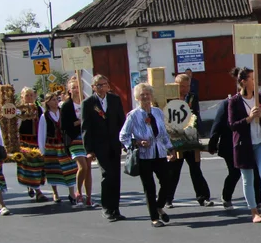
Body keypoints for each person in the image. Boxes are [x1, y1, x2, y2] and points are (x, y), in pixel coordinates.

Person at [227, 67, 261, 223]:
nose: (255, 82)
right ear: (244, 82)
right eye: (252, 79)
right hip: (244, 145)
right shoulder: (234, 101)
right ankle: (254, 212)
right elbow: (232, 125)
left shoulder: (260, 98)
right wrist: (249, 119)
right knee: (247, 179)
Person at [120, 83, 175, 227]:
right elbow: (123, 136)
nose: (145, 97)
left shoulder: (157, 112)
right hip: (144, 156)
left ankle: (159, 205)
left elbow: (163, 133)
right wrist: (137, 142)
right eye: (142, 95)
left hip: (159, 152)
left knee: (167, 182)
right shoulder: (133, 115)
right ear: (137, 97)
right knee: (149, 187)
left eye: (147, 94)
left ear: (151, 96)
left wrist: (170, 148)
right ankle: (154, 218)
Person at [160, 73, 213, 208]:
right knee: (174, 170)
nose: (185, 89)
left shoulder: (193, 97)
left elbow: (196, 114)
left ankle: (203, 197)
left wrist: (199, 133)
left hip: (190, 136)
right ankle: (167, 199)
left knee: (196, 169)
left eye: (187, 86)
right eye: (182, 86)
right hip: (175, 138)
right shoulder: (169, 98)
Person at [82, 75, 125, 221]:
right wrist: (89, 149)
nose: (101, 88)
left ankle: (116, 209)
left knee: (116, 176)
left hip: (114, 143)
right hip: (99, 145)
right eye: (98, 85)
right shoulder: (88, 103)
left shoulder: (114, 99)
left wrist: (124, 142)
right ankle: (107, 208)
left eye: (104, 84)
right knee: (107, 175)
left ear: (108, 86)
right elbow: (86, 127)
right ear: (93, 87)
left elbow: (121, 121)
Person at [38, 91, 78, 203]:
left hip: (64, 144)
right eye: (53, 100)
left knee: (69, 168)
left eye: (57, 99)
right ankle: (55, 192)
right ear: (48, 102)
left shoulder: (62, 112)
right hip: (51, 146)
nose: (56, 102)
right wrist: (42, 150)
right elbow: (42, 133)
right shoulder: (44, 116)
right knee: (53, 169)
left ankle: (71, 193)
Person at [60, 75, 92, 208]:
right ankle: (78, 193)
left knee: (88, 168)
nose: (76, 90)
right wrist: (79, 122)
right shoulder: (67, 106)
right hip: (74, 139)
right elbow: (64, 126)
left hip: (87, 137)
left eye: (78, 87)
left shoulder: (87, 102)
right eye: (73, 88)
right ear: (69, 90)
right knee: (82, 166)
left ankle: (89, 197)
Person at [207, 97, 240, 209]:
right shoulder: (228, 103)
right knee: (235, 172)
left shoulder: (255, 100)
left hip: (248, 143)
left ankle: (258, 200)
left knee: (255, 172)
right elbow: (218, 123)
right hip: (229, 144)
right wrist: (213, 143)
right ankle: (226, 197)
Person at [16, 87, 48, 201]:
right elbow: (16, 126)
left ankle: (34, 187)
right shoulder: (19, 110)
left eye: (31, 95)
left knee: (38, 166)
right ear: (22, 97)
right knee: (29, 166)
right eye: (26, 95)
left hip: (37, 140)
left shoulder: (39, 109)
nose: (29, 97)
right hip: (25, 142)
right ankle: (37, 191)